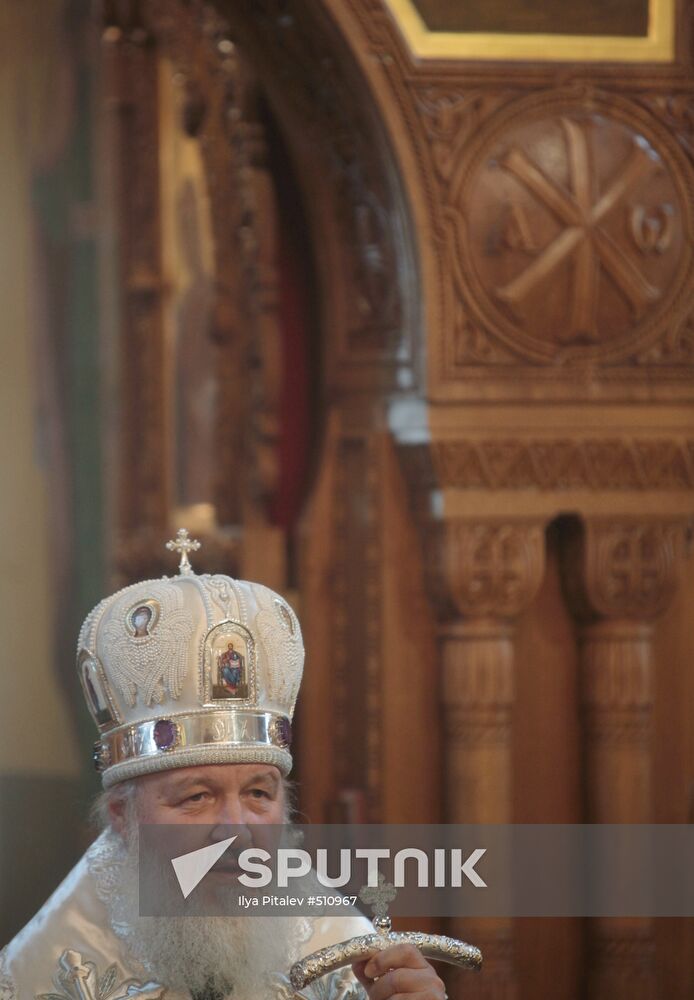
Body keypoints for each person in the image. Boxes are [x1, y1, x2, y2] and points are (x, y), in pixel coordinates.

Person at [0, 536, 446, 1000]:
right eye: (197, 797)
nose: (237, 830)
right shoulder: (52, 969)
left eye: (258, 794)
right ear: (122, 816)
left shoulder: (339, 950)